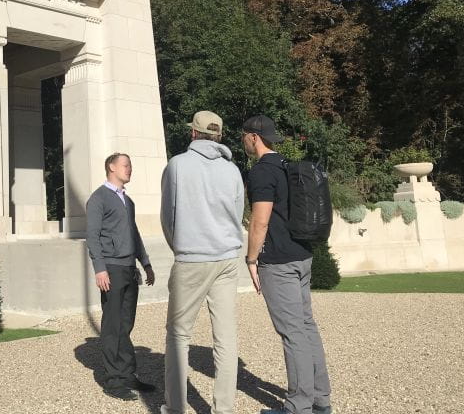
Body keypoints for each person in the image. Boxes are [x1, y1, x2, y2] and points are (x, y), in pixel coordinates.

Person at [242, 115, 332, 414]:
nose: (244, 140)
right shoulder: (288, 167)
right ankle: (321, 400)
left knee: (293, 334)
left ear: (254, 137)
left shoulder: (261, 172)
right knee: (307, 327)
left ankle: (298, 407)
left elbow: (260, 221)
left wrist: (251, 259)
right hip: (303, 256)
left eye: (245, 135)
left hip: (278, 261)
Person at [159, 111, 245, 414]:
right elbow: (237, 213)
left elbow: (168, 216)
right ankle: (224, 409)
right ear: (218, 136)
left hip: (192, 258)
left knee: (179, 334)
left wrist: (179, 247)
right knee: (225, 335)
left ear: (193, 134)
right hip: (226, 258)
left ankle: (177, 407)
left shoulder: (178, 165)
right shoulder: (232, 171)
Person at [86, 152, 156, 401]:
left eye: (131, 165)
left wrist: (145, 263)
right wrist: (100, 268)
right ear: (111, 167)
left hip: (129, 269)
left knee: (126, 324)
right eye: (126, 165)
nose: (130, 169)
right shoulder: (99, 198)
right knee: (113, 325)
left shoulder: (129, 201)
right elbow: (92, 237)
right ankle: (113, 380)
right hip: (112, 270)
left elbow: (134, 235)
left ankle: (127, 374)